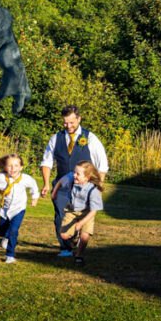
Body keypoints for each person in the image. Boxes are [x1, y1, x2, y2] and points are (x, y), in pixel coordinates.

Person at [39, 105, 108, 257]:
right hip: (62, 184)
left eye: (71, 122)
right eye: (65, 123)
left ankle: (76, 238)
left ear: (79, 119)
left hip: (85, 187)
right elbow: (46, 162)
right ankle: (66, 248)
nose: (68, 126)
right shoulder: (55, 138)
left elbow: (102, 164)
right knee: (60, 216)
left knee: (82, 214)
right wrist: (45, 183)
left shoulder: (90, 138)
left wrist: (98, 186)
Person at [52, 161, 104, 266]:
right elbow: (61, 181)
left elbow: (93, 211)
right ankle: (74, 237)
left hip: (87, 212)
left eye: (77, 174)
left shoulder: (93, 191)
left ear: (87, 177)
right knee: (64, 235)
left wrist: (81, 223)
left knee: (85, 236)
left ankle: (79, 256)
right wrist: (54, 192)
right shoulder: (72, 178)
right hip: (72, 211)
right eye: (74, 172)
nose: (74, 175)